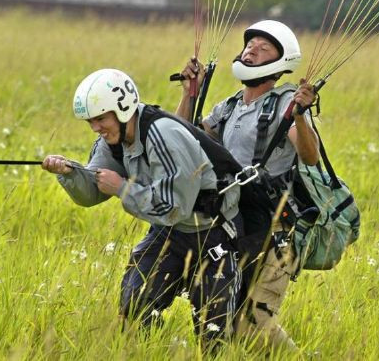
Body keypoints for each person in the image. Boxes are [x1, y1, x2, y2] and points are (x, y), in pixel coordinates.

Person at [41, 68, 244, 344]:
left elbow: (174, 208)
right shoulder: (111, 142)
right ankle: (154, 350)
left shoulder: (164, 134)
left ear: (123, 109)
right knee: (134, 305)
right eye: (91, 121)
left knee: (213, 333)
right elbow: (91, 193)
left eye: (101, 118)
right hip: (169, 232)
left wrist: (122, 188)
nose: (96, 128)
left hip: (213, 234)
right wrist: (69, 173)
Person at [175, 20, 320, 350]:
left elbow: (309, 157)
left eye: (264, 47)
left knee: (253, 322)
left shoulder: (285, 103)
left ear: (279, 62)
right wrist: (189, 94)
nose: (252, 49)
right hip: (231, 222)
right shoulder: (228, 106)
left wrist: (299, 115)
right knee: (226, 314)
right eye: (250, 45)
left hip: (270, 229)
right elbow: (180, 140)